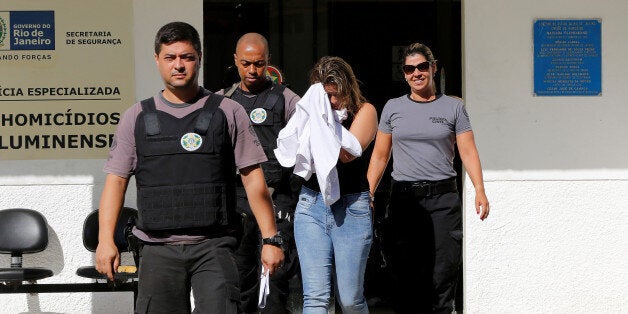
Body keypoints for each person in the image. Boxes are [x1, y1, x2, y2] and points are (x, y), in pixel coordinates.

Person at [95, 21, 284, 314]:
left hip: (215, 247)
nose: (179, 65)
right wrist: (105, 241)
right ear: (157, 59)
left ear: (199, 58)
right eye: (170, 57)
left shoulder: (227, 111)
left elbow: (253, 179)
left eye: (187, 57)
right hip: (157, 249)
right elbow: (116, 182)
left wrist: (271, 239)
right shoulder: (137, 118)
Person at [366, 42, 490, 314]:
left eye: (422, 67)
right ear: (404, 73)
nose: (416, 73)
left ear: (433, 68)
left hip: (443, 200)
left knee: (442, 273)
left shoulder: (453, 107)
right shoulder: (392, 107)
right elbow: (380, 156)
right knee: (405, 274)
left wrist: (479, 189)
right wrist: (370, 193)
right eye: (410, 69)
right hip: (405, 200)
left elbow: (467, 151)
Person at [275, 56, 378, 314]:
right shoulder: (312, 113)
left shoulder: (365, 111)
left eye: (337, 94)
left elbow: (346, 154)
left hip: (352, 207)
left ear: (349, 89)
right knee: (315, 297)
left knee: (350, 299)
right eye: (326, 95)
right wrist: (315, 115)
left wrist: (325, 121)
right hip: (312, 204)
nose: (332, 102)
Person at [218, 32, 301, 314]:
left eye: (259, 63)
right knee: (239, 283)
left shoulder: (287, 99)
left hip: (277, 200)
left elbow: (307, 145)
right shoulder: (221, 101)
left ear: (268, 62)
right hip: (237, 202)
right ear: (235, 62)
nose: (252, 70)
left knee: (275, 284)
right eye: (246, 64)